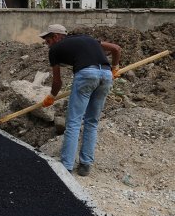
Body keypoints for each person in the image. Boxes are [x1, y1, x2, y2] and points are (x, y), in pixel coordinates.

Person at [39, 24, 121, 176]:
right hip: (106, 75)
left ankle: (66, 167)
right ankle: (85, 165)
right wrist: (114, 67)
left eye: (48, 39)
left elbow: (57, 82)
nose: (46, 43)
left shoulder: (54, 50)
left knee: (73, 123)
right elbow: (116, 48)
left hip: (86, 75)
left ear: (57, 36)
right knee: (92, 121)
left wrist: (51, 97)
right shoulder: (87, 39)